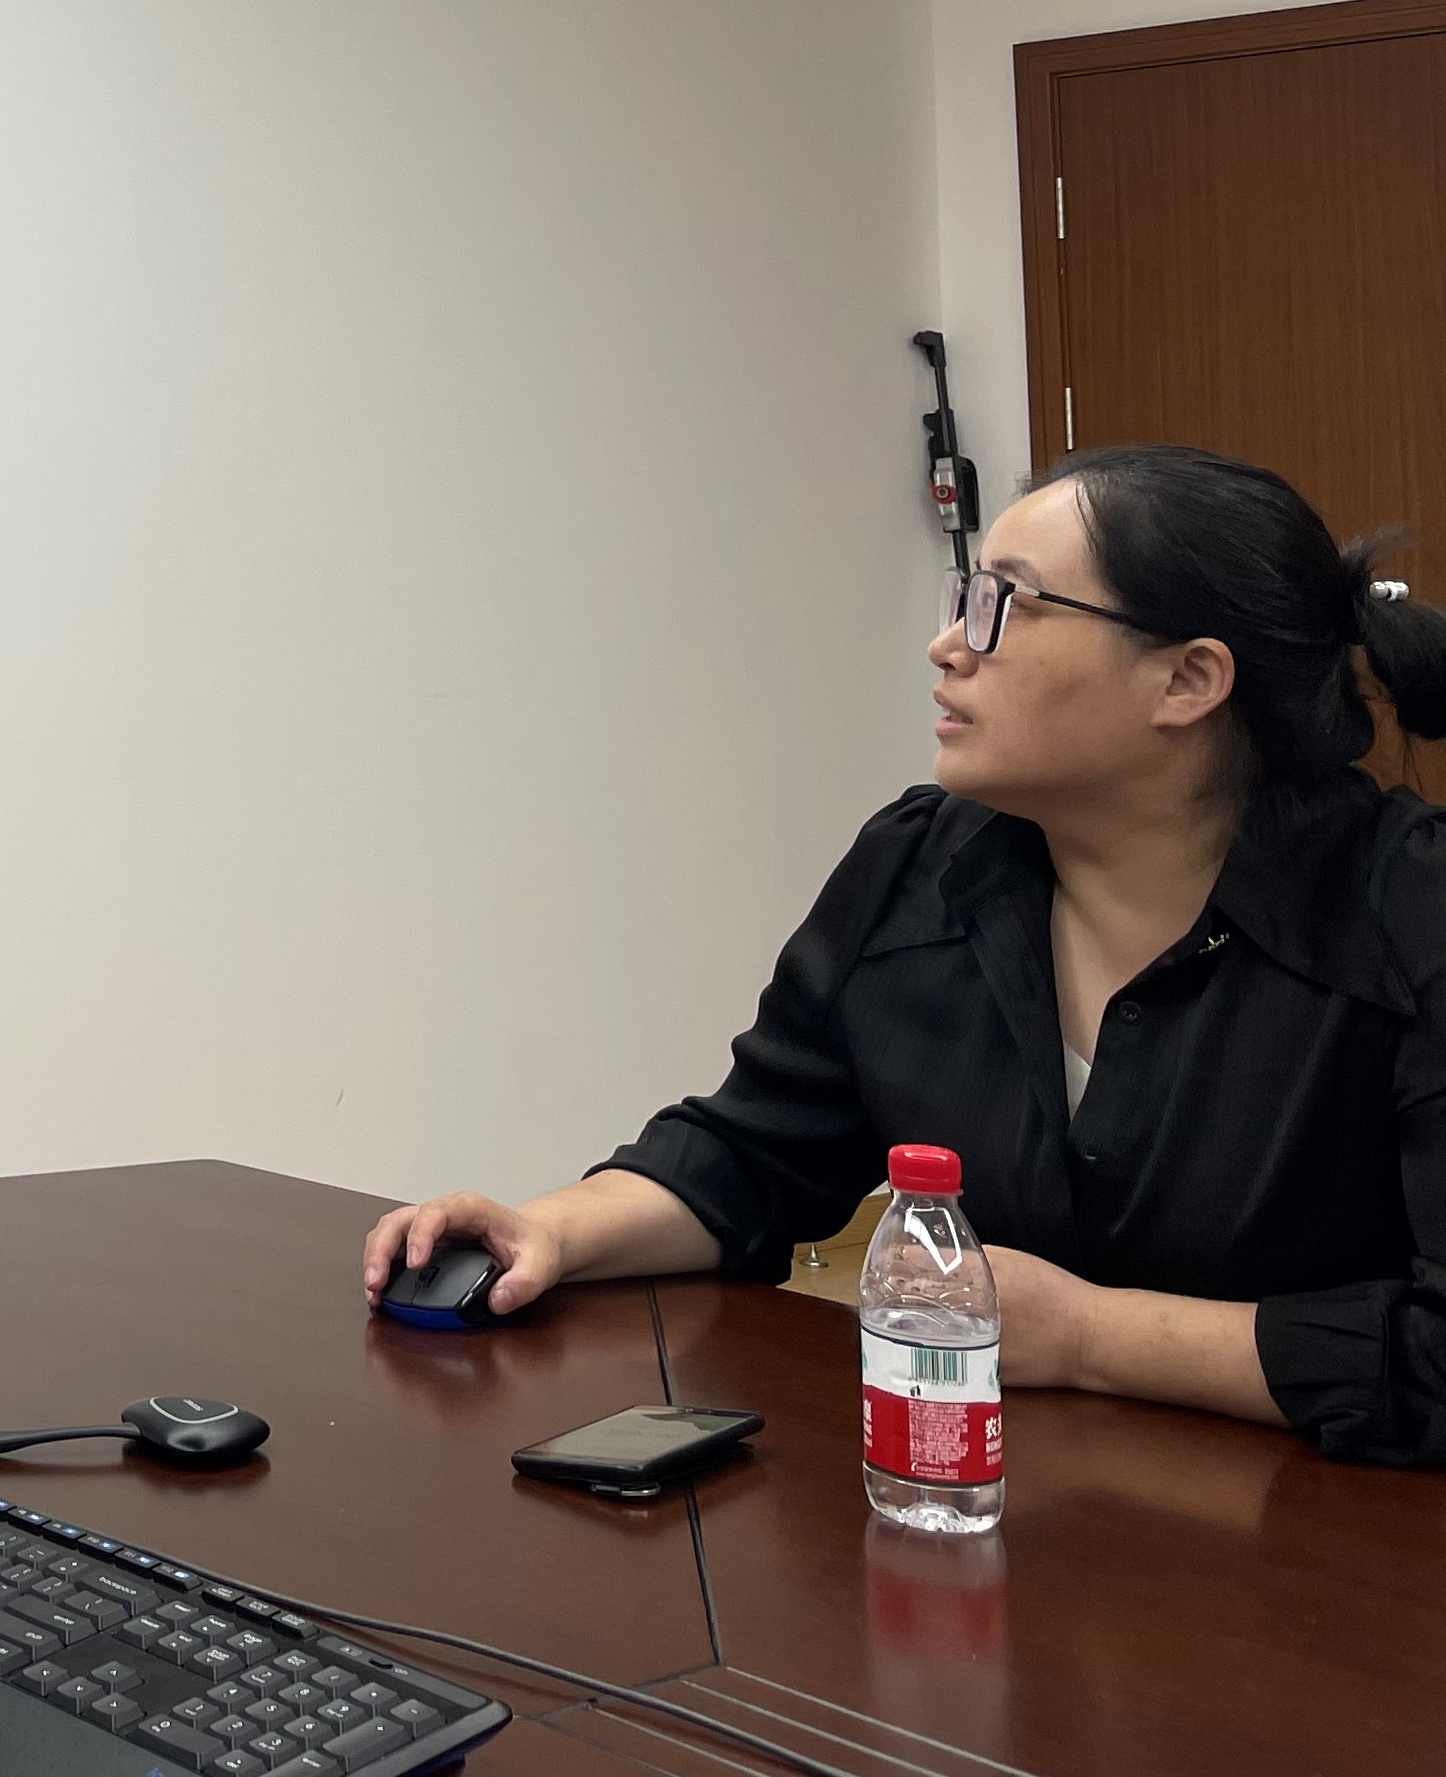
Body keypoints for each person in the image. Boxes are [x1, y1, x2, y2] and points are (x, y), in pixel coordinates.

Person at [364, 444, 1446, 1465]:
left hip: (1342, 1547)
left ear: (1187, 681)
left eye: (1006, 606)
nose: (949, 646)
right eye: (965, 598)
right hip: (996, 1499)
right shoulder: (919, 867)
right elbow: (758, 1152)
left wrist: (1090, 1338)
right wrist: (547, 1230)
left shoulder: (1411, 911)